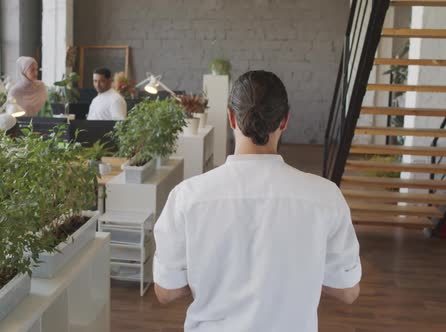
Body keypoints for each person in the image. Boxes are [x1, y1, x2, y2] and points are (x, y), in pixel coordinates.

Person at [153, 70, 361, 332]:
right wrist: (297, 272)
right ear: (285, 121)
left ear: (231, 117)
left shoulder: (187, 197)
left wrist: (209, 273)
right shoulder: (326, 196)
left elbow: (165, 291)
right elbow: (348, 291)